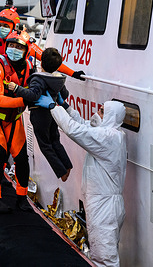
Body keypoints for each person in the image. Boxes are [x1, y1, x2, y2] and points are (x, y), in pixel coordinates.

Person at [35, 94, 127, 267]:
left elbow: (74, 130)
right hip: (106, 204)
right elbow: (84, 126)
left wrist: (53, 107)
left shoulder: (107, 137)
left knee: (104, 260)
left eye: (101, 111)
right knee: (104, 253)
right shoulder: (112, 134)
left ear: (110, 116)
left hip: (104, 206)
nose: (97, 113)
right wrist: (66, 107)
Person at [0, 30, 37, 214]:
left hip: (13, 118)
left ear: (26, 50)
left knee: (21, 159)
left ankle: (22, 198)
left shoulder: (29, 67)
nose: (14, 49)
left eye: (19, 47)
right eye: (11, 45)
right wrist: (25, 100)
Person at [0, 6, 86, 102]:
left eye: (5, 26)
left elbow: (49, 60)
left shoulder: (28, 44)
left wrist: (73, 73)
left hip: (21, 92)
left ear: (15, 26)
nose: (1, 28)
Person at [8, 47, 72, 182]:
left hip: (39, 114)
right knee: (55, 140)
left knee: (45, 145)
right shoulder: (59, 79)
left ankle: (61, 172)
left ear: (41, 63)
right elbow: (64, 94)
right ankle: (67, 165)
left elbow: (33, 95)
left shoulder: (38, 79)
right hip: (53, 113)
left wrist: (16, 88)